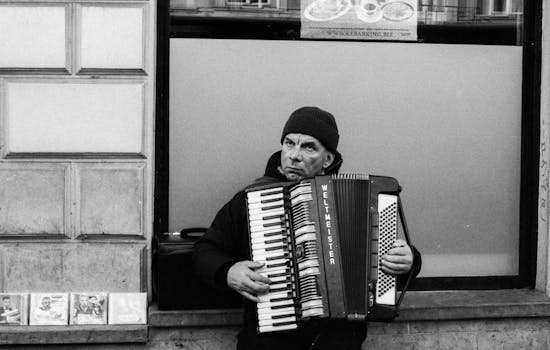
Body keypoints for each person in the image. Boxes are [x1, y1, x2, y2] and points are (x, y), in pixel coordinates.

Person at [193, 106, 422, 350]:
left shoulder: (360, 200)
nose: (294, 155)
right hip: (269, 343)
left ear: (329, 159)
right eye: (289, 144)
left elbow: (385, 258)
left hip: (337, 341)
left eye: (309, 147)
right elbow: (205, 250)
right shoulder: (251, 199)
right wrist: (228, 272)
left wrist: (409, 261)